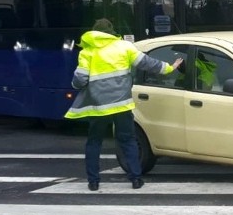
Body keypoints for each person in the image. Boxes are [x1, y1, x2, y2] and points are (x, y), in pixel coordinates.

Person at [65, 18, 182, 191]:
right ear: (111, 31)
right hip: (122, 105)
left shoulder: (87, 51)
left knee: (94, 142)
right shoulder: (124, 47)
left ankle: (93, 182)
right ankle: (135, 179)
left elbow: (80, 79)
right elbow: (147, 64)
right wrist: (170, 68)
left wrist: (75, 85)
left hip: (99, 107)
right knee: (128, 140)